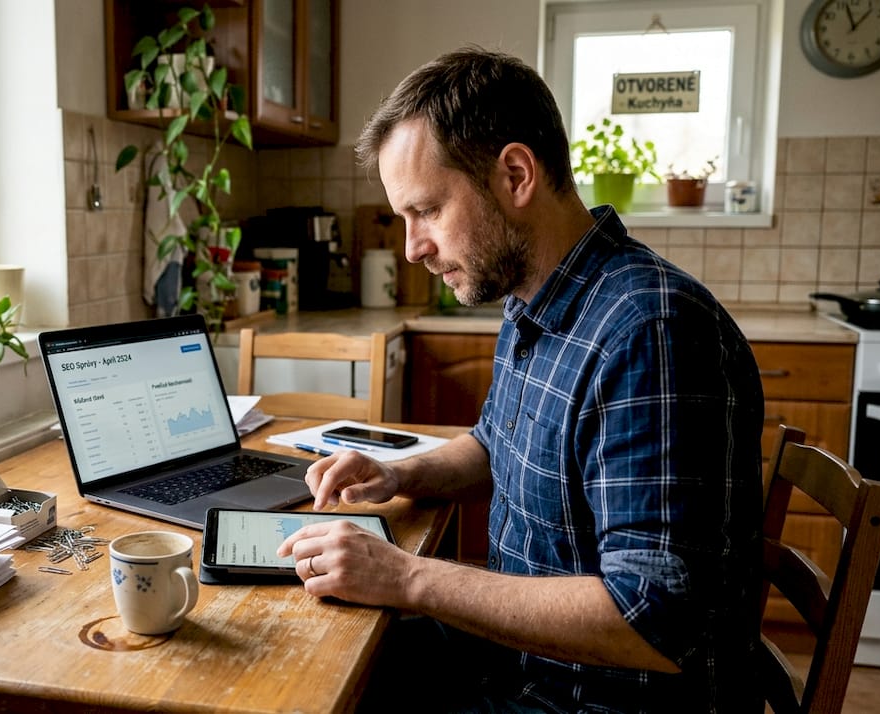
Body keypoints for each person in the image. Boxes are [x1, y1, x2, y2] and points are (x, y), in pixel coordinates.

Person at [277, 47, 763, 713]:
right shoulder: (536, 298)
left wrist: (409, 577)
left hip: (593, 697)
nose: (413, 245)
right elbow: (495, 444)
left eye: (427, 210)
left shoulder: (651, 332)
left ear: (515, 174)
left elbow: (651, 622)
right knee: (298, 671)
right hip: (520, 664)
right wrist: (401, 474)